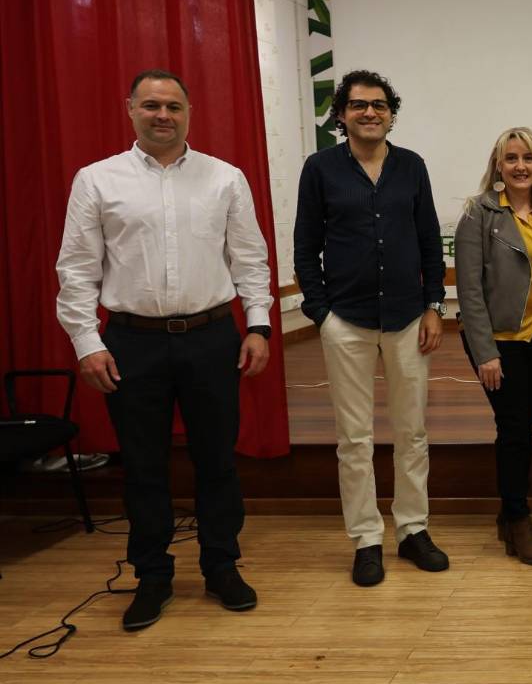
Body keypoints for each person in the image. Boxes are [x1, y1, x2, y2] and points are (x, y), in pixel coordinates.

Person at [55, 69, 273, 630]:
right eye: (151, 105)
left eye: (173, 106)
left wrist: (258, 325)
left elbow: (249, 258)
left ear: (189, 112)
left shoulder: (224, 178)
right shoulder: (97, 180)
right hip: (131, 342)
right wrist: (86, 341)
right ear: (130, 108)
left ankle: (222, 565)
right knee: (144, 469)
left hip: (211, 339)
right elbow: (77, 269)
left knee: (217, 462)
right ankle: (152, 577)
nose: (162, 115)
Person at [293, 69, 449, 587]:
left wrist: (434, 306)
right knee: (354, 438)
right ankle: (366, 538)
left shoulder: (411, 167)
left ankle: (412, 530)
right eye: (358, 105)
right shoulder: (320, 169)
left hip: (408, 318)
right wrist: (321, 313)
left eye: (379, 105)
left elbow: (430, 239)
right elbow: (304, 246)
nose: (370, 113)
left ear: (391, 112)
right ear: (342, 114)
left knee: (413, 432)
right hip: (347, 320)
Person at [454, 127, 532, 566]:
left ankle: (510, 515)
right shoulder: (478, 214)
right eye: (511, 158)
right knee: (515, 427)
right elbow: (468, 290)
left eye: (529, 158)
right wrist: (484, 351)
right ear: (498, 165)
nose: (520, 166)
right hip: (500, 342)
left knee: (527, 425)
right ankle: (518, 520)